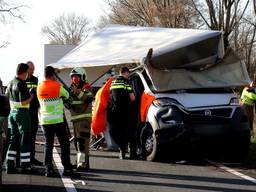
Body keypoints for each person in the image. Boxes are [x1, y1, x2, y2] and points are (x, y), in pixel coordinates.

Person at [37, 66, 74, 177]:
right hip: (57, 120)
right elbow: (67, 95)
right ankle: (67, 167)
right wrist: (57, 83)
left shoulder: (39, 87)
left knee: (49, 145)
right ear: (53, 75)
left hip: (45, 121)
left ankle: (49, 169)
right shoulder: (57, 86)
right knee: (64, 144)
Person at [5, 63, 33, 173]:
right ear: (24, 72)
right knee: (25, 138)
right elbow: (23, 102)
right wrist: (31, 97)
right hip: (22, 114)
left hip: (12, 113)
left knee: (13, 139)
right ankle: (25, 165)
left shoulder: (10, 82)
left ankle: (9, 165)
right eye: (27, 72)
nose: (27, 75)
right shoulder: (21, 84)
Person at [107, 67, 136, 159]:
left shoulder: (113, 82)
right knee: (130, 132)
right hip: (126, 110)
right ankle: (132, 154)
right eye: (128, 73)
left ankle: (122, 151)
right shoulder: (126, 82)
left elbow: (110, 97)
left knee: (118, 131)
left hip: (115, 111)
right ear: (125, 73)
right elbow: (132, 98)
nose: (129, 76)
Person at [68, 67, 94, 171]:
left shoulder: (86, 87)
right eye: (73, 77)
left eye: (76, 77)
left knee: (82, 143)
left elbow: (87, 98)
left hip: (84, 120)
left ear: (82, 77)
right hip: (75, 120)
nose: (74, 79)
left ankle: (82, 164)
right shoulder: (71, 88)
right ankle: (80, 162)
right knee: (78, 143)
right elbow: (70, 103)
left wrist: (77, 92)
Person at [25, 61, 42, 166]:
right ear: (27, 69)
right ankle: (25, 158)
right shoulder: (22, 80)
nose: (33, 71)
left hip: (34, 111)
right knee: (26, 136)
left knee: (33, 136)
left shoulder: (36, 79)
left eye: (34, 69)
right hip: (25, 111)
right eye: (31, 69)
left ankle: (32, 157)